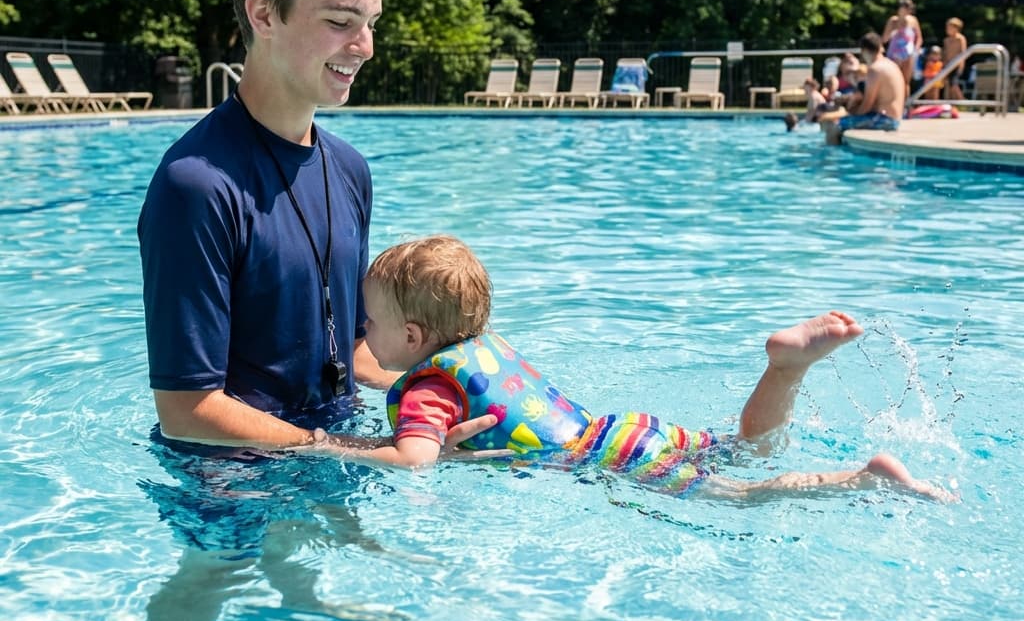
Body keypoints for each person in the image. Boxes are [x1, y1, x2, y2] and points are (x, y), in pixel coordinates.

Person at [138, 0, 495, 455]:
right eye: (339, 22)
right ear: (263, 14)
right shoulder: (197, 187)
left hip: (332, 452)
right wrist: (356, 452)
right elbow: (186, 410)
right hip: (232, 491)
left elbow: (351, 349)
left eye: (370, 23)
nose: (365, 46)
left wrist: (456, 388)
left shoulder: (350, 171)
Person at [305, 235, 952, 502]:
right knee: (742, 448)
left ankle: (857, 480)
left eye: (369, 321)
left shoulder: (428, 394)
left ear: (413, 335)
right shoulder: (475, 346)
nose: (363, 331)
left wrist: (332, 444)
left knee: (744, 497)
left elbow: (418, 458)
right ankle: (785, 368)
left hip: (612, 463)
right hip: (626, 429)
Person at [820, 32, 906, 145]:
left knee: (835, 125)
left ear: (864, 50)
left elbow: (867, 104)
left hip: (884, 119)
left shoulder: (875, 69)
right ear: (880, 47)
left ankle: (832, 156)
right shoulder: (891, 65)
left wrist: (853, 115)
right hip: (894, 118)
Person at [882, 0, 924, 90]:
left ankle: (906, 103)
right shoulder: (893, 21)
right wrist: (894, 30)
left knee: (906, 81)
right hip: (894, 53)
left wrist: (915, 51)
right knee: (894, 79)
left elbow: (919, 38)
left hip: (908, 54)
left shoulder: (913, 20)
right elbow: (885, 39)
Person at [942, 17, 969, 101]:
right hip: (948, 65)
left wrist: (961, 65)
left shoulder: (960, 39)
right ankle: (951, 102)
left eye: (950, 27)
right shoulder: (946, 40)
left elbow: (963, 52)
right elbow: (945, 53)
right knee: (948, 85)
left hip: (957, 65)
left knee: (954, 84)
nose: (948, 29)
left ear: (956, 28)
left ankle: (962, 101)